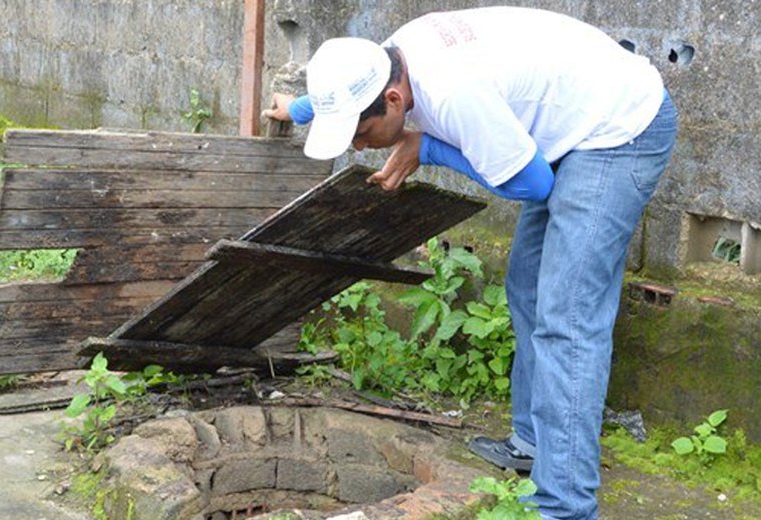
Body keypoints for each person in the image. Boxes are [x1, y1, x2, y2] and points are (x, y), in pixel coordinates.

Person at [263, 6, 677, 520]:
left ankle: (565, 508)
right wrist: (298, 109)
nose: (358, 146)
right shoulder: (388, 57)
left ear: (395, 101)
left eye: (360, 134)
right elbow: (349, 87)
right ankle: (533, 444)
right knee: (527, 288)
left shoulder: (455, 96)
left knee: (568, 320)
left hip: (618, 133)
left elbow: (535, 185)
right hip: (575, 118)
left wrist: (426, 148)